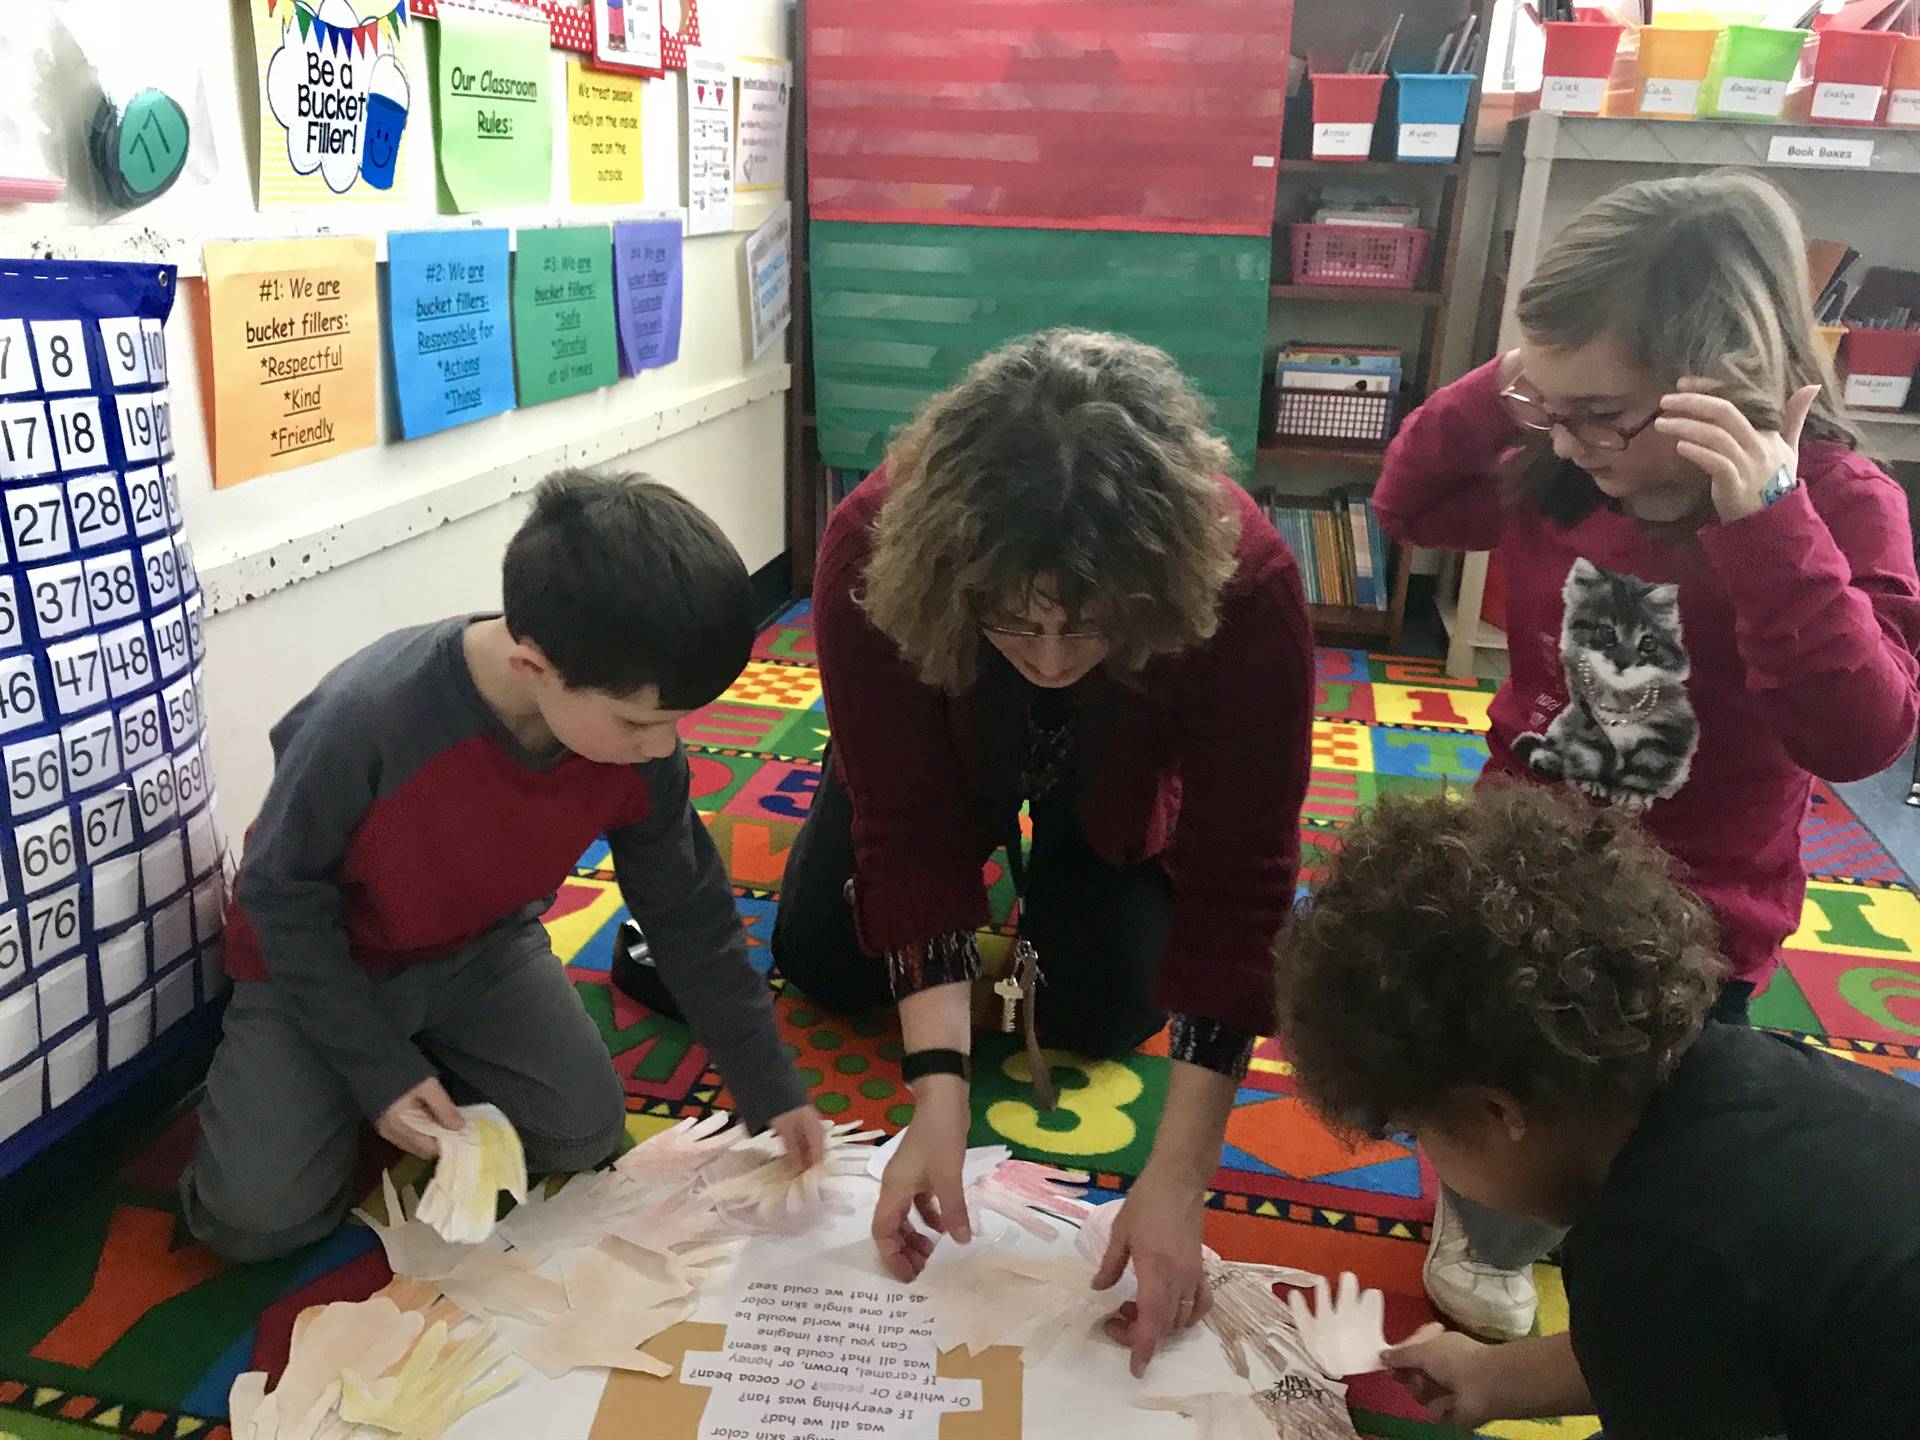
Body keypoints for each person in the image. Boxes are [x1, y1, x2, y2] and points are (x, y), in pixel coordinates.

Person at [1373, 171, 1920, 1339]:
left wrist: (1767, 523)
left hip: (1697, 916)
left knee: (1660, 1135)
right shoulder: (1565, 461)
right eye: (1548, 405)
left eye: (1603, 410)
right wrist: (1527, 378)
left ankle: (1614, 1243)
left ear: (1722, 387)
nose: (1571, 438)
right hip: (1517, 864)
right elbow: (1412, 501)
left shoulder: (1837, 501)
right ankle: (1490, 1221)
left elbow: (1859, 731)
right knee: (1504, 1085)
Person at [772, 329, 1316, 1376]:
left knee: (1111, 1005)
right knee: (827, 960)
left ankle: (1069, 851)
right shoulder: (874, 546)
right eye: (1019, 626)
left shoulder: (1245, 580)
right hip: (944, 746)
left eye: (1087, 628)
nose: (1057, 658)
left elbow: (1242, 879)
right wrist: (937, 1093)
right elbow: (906, 824)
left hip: (1123, 764)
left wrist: (1180, 1180)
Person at [181, 472, 822, 1262]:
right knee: (255, 1222)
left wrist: (768, 1086)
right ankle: (339, 1076)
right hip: (323, 966)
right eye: (639, 721)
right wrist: (377, 1068)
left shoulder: (636, 744)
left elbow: (687, 910)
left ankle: (411, 1068)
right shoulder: (368, 718)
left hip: (479, 952)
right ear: (532, 668)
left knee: (582, 1132)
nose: (663, 746)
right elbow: (280, 897)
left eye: (678, 722)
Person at [1275, 785, 1920, 1438]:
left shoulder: (1649, 1245)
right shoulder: (1754, 1079)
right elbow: (1691, 1338)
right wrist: (1497, 1377)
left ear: (1497, 1113)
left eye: (1418, 1134)